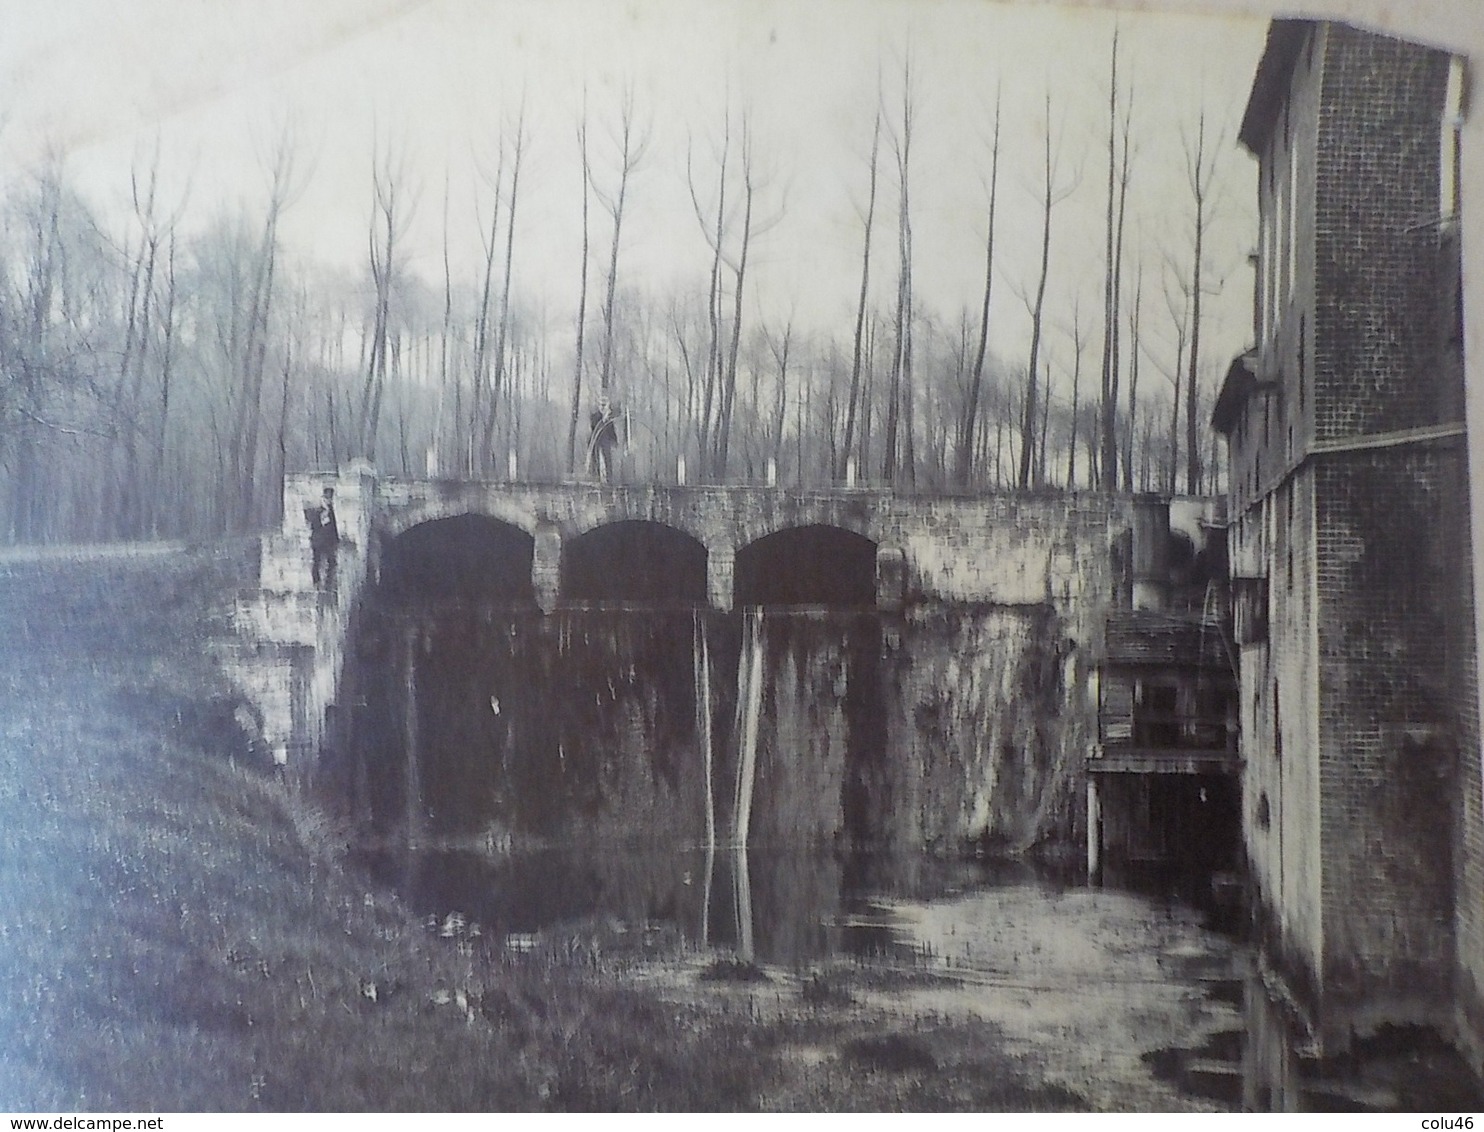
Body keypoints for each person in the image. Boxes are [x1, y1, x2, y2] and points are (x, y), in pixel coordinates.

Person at [307, 486, 340, 590]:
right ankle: (317, 583)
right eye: (327, 498)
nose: (329, 500)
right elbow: (315, 525)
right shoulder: (319, 511)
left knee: (332, 562)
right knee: (317, 561)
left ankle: (328, 583)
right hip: (319, 540)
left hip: (328, 541)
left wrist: (336, 539)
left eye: (330, 498)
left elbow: (333, 526)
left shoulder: (330, 510)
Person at [587, 397, 620, 482]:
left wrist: (615, 441)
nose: (603, 407)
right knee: (596, 462)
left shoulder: (608, 419)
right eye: (601, 405)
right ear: (598, 406)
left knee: (607, 461)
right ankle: (596, 478)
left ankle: (609, 479)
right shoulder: (594, 416)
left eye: (604, 405)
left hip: (605, 443)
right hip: (596, 443)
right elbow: (594, 427)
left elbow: (611, 431)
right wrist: (603, 420)